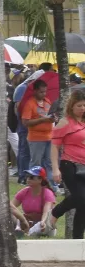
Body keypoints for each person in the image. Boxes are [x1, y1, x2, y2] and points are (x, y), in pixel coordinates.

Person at [46, 90, 85, 238]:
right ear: (72, 106)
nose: (82, 109)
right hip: (70, 164)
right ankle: (55, 213)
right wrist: (55, 169)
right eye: (79, 105)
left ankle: (77, 238)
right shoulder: (65, 122)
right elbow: (54, 147)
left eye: (84, 105)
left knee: (83, 205)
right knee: (81, 197)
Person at [22, 79, 55, 183]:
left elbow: (50, 114)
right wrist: (42, 120)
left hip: (49, 136)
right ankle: (33, 182)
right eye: (41, 92)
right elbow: (25, 122)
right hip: (36, 138)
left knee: (49, 162)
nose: (44, 94)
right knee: (36, 163)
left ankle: (51, 183)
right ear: (35, 91)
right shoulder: (30, 104)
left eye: (45, 91)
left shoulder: (47, 101)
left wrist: (53, 118)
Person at [11, 166, 56, 237]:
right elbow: (11, 206)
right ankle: (21, 230)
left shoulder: (48, 193)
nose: (28, 179)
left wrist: (42, 222)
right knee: (9, 214)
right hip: (28, 223)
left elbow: (46, 212)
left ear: (40, 180)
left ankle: (25, 233)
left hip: (44, 224)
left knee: (42, 224)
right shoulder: (24, 192)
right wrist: (21, 218)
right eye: (27, 176)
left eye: (31, 177)